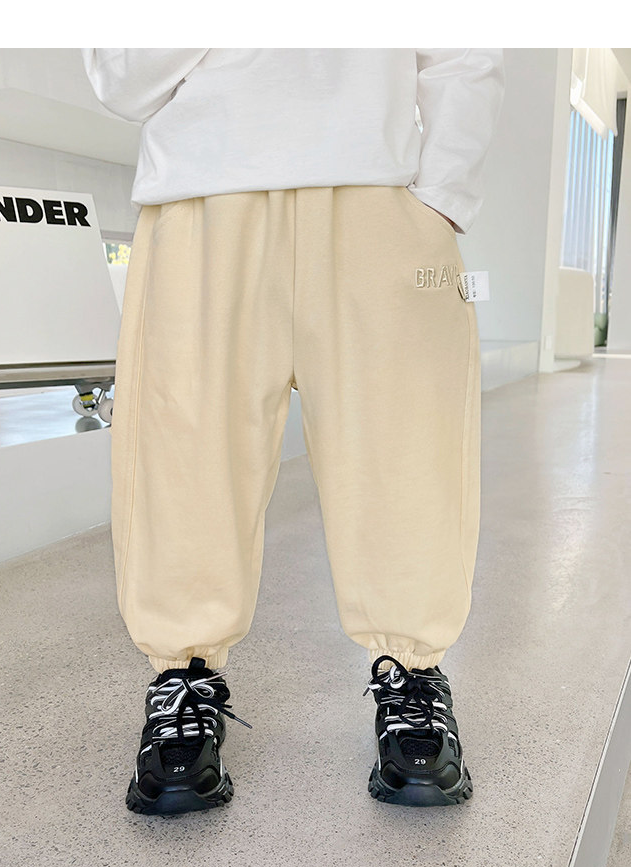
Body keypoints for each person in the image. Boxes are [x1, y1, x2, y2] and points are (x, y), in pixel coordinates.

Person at [81, 48, 506, 813]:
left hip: (379, 198)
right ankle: (182, 679)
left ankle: (412, 676)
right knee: (184, 456)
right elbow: (121, 75)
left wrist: (442, 194)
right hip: (203, 194)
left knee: (407, 455)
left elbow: (463, 44)